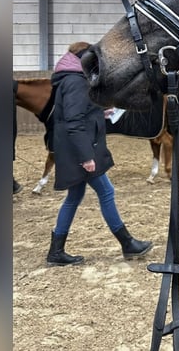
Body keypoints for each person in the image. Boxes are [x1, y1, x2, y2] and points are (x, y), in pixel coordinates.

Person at [46, 41, 153, 266]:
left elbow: (77, 113)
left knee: (74, 197)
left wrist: (98, 112)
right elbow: (73, 122)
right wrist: (86, 157)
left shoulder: (73, 79)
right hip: (81, 150)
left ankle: (56, 250)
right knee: (106, 192)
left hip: (77, 147)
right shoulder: (75, 82)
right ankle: (127, 243)